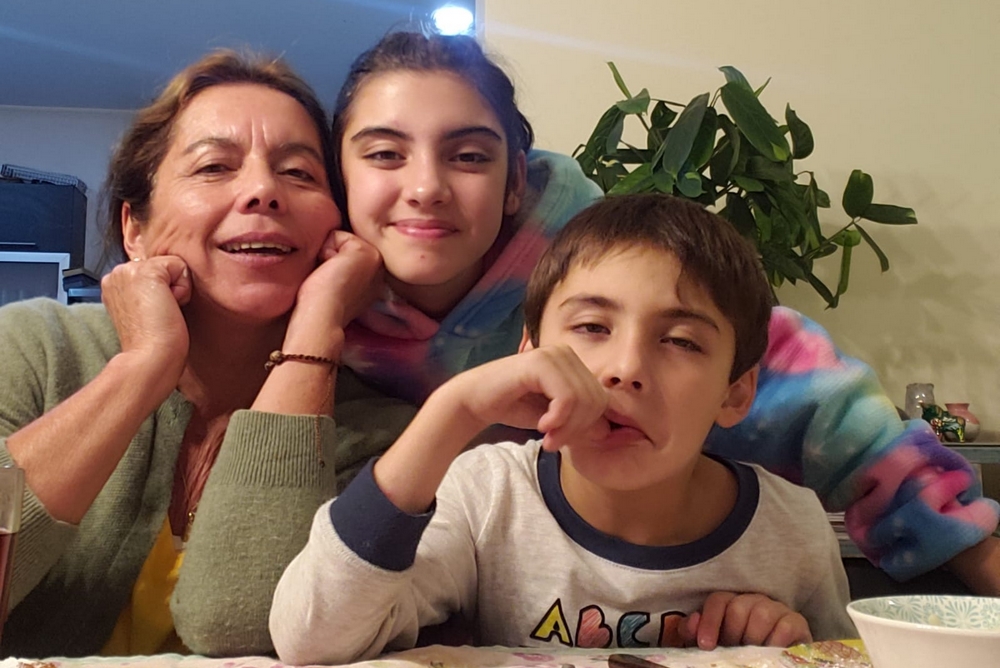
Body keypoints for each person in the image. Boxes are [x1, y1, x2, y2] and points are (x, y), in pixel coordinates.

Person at [330, 31, 1000, 590]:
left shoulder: (607, 270)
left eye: (470, 155)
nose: (425, 187)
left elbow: (827, 407)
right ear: (341, 176)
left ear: (514, 183)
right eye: (385, 154)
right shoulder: (319, 304)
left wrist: (964, 545)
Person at [270, 193, 857, 665]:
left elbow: (841, 655)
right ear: (529, 353)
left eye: (680, 341)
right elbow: (311, 638)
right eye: (593, 327)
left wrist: (787, 645)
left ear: (735, 392)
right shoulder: (488, 498)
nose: (625, 368)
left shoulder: (793, 531)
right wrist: (454, 410)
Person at [0, 50, 414, 658]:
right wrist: (143, 366)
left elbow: (241, 628)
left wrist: (315, 332)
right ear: (134, 229)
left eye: (299, 173)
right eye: (214, 166)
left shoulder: (382, 436)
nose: (263, 191)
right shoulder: (32, 346)